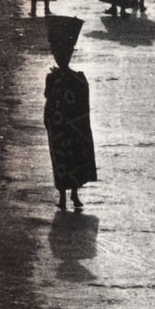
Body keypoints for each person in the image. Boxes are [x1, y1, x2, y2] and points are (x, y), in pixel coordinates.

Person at [43, 15, 97, 210]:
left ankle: (67, 197)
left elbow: (48, 97)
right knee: (71, 159)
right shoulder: (77, 79)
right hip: (68, 128)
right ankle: (71, 196)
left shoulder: (59, 78)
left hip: (61, 128)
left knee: (62, 160)